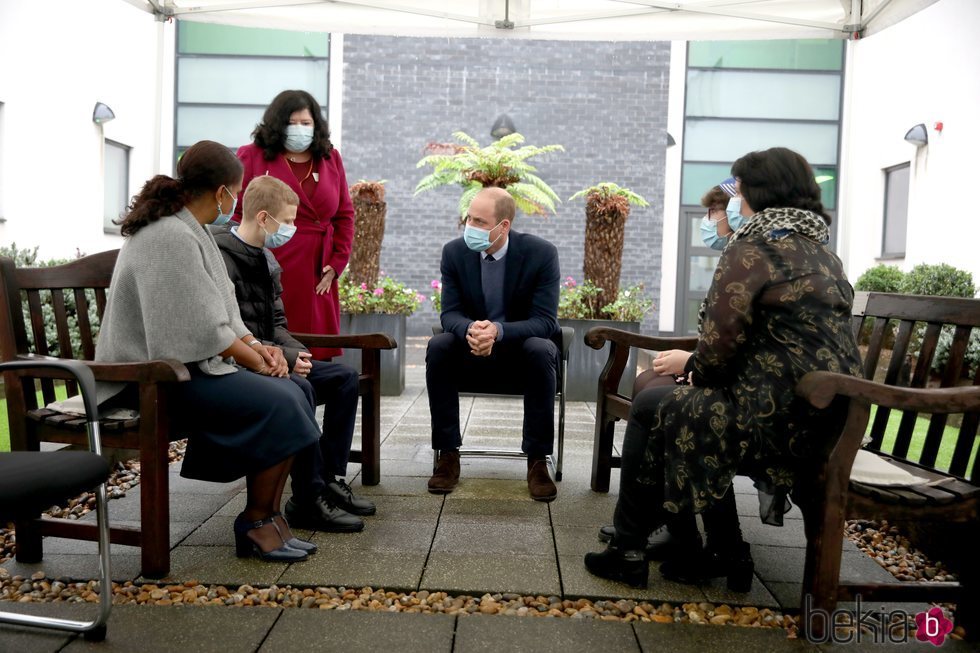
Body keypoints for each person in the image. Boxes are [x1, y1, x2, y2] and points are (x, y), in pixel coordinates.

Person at [584, 147, 863, 589]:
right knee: (672, 400)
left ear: (761, 193)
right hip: (824, 418)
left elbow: (718, 349)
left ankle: (629, 548)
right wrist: (696, 368)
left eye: (740, 189)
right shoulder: (822, 252)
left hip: (773, 419)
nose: (736, 199)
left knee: (654, 404)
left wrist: (692, 366)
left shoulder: (753, 248)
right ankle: (714, 547)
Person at [95, 140, 322, 563]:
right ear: (221, 192)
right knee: (284, 399)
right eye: (234, 192)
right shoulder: (167, 235)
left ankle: (269, 516)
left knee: (297, 391)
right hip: (146, 382)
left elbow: (221, 314)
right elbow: (195, 329)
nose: (234, 202)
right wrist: (258, 358)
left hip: (181, 371)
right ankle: (255, 522)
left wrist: (260, 349)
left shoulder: (190, 229)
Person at [211, 174, 374, 533]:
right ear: (264, 218)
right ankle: (307, 497)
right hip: (247, 362)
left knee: (344, 378)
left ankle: (327, 478)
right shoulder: (221, 257)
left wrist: (296, 353)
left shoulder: (268, 258)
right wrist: (283, 357)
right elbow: (232, 329)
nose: (293, 228)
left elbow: (279, 322)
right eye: (287, 221)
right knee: (301, 388)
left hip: (275, 356)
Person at [426, 187, 562, 502]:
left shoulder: (541, 254)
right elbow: (450, 313)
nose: (469, 226)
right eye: (468, 218)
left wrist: (497, 332)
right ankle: (447, 455)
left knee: (542, 348)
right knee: (439, 345)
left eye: (479, 221)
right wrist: (472, 329)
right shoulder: (454, 252)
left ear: (504, 226)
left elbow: (545, 321)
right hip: (470, 351)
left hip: (521, 355)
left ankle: (538, 460)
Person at [235, 89, 355, 360]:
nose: (299, 129)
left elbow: (345, 215)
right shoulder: (252, 155)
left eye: (306, 123)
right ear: (278, 123)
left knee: (317, 355)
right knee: (274, 341)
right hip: (267, 263)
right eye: (293, 122)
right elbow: (236, 212)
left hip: (317, 272)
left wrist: (336, 264)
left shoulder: (330, 158)